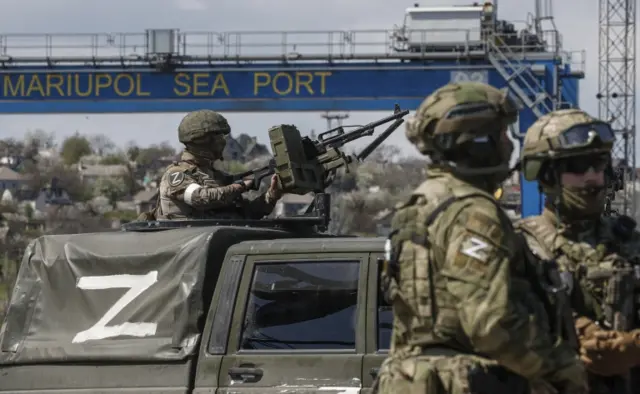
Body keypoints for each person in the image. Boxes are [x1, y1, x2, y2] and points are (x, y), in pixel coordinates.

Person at [377, 82, 586, 394]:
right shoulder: (474, 212)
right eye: (501, 134)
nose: (508, 144)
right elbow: (491, 325)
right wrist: (563, 367)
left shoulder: (417, 207)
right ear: (477, 143)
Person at [515, 108, 640, 393]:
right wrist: (579, 334)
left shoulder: (628, 242)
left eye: (598, 165)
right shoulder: (520, 245)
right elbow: (499, 325)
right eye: (578, 167)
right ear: (546, 175)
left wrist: (633, 346)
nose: (592, 178)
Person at [150, 109, 283, 220]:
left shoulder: (214, 176)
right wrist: (241, 185)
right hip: (184, 244)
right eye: (217, 136)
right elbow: (200, 198)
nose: (222, 141)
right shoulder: (176, 174)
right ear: (201, 140)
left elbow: (247, 214)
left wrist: (272, 195)